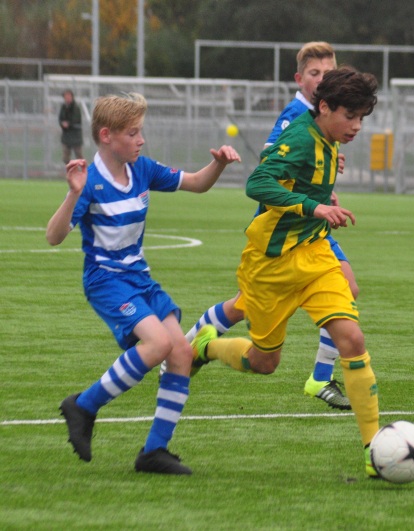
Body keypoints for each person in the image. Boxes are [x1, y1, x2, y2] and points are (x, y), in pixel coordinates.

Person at [188, 67, 382, 478]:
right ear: (324, 107)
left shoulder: (326, 139)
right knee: (264, 363)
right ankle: (207, 347)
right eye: (350, 116)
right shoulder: (298, 136)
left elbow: (306, 179)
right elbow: (257, 184)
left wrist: (322, 192)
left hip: (314, 256)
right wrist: (316, 206)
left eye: (362, 118)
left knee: (352, 337)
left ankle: (374, 449)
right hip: (271, 266)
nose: (357, 126)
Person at [46, 92, 241, 474]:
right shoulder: (90, 182)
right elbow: (54, 237)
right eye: (133, 133)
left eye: (140, 132)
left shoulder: (143, 169)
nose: (141, 140)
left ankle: (154, 452)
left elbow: (198, 183)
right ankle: (83, 406)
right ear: (107, 136)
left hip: (139, 278)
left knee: (181, 352)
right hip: (106, 280)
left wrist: (217, 165)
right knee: (159, 344)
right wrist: (72, 193)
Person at [181, 42, 352, 410]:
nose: (322, 79)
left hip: (311, 227)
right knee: (245, 306)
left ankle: (320, 379)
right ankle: (189, 349)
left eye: (328, 72)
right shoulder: (296, 115)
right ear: (299, 79)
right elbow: (270, 167)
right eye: (314, 74)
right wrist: (313, 199)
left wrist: (326, 188)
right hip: (287, 227)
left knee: (345, 289)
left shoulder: (328, 116)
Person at [59, 89, 83, 164]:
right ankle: (70, 171)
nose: (67, 98)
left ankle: (85, 172)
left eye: (69, 96)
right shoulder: (63, 107)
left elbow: (76, 120)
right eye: (66, 96)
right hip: (66, 136)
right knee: (65, 157)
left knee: (79, 156)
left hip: (75, 136)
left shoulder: (76, 108)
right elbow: (60, 119)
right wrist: (62, 124)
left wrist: (68, 124)